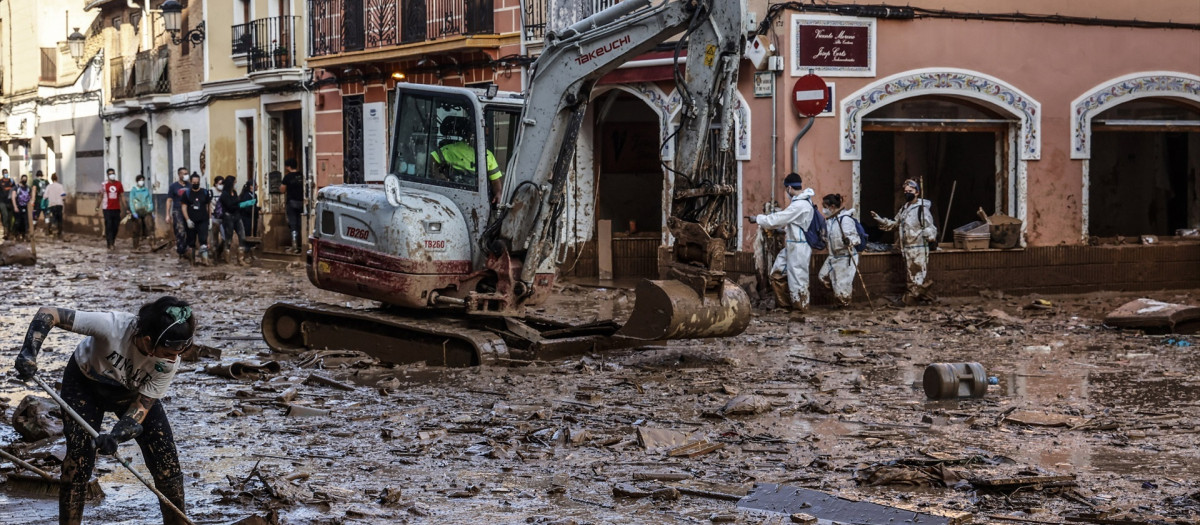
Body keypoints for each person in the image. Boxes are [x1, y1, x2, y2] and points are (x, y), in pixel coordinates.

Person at [13, 296, 196, 525]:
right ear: (149, 342)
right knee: (79, 460)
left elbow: (142, 405)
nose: (175, 359)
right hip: (85, 384)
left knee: (166, 460)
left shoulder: (170, 362)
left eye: (180, 352)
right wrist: (29, 352)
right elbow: (49, 313)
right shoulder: (112, 326)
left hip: (131, 393)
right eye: (170, 352)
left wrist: (116, 436)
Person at [750, 172, 816, 313]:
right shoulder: (802, 203)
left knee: (798, 278)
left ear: (789, 188)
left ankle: (801, 309)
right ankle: (785, 305)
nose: (786, 192)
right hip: (792, 244)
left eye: (786, 189)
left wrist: (758, 219)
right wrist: (783, 231)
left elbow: (779, 218)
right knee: (777, 273)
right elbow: (794, 223)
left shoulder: (800, 204)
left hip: (799, 246)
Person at [871, 179, 937, 305]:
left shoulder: (922, 210)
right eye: (905, 191)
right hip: (907, 248)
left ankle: (913, 300)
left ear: (917, 192)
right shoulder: (904, 209)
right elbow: (895, 224)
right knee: (912, 276)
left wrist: (929, 235)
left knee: (917, 276)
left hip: (918, 247)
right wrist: (880, 220)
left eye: (910, 191)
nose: (907, 194)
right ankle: (926, 298)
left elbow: (930, 227)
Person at [430, 116, 504, 204]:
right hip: (450, 197)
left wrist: (498, 193)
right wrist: (441, 179)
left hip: (479, 199)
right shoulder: (450, 150)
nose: (484, 138)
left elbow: (495, 181)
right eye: (481, 134)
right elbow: (432, 161)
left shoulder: (488, 155)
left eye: (486, 135)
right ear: (470, 134)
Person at [818, 194, 861, 307]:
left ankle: (845, 311)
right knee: (822, 276)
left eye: (825, 206)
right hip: (833, 257)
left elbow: (856, 239)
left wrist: (849, 241)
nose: (824, 209)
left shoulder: (845, 219)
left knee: (842, 292)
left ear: (832, 206)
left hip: (845, 258)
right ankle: (842, 293)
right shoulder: (831, 220)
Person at [181, 172, 213, 265]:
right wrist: (187, 220)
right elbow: (183, 207)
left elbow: (208, 206)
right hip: (191, 220)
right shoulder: (186, 194)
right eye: (193, 182)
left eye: (197, 182)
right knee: (191, 241)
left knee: (203, 240)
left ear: (199, 182)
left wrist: (210, 219)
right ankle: (192, 261)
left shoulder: (205, 192)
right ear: (191, 182)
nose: (195, 184)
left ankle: (205, 260)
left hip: (203, 219)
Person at [216, 176, 249, 265]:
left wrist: (240, 203)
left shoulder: (234, 192)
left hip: (237, 216)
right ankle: (227, 259)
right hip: (228, 217)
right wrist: (239, 204)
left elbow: (235, 203)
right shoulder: (224, 195)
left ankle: (241, 259)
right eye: (234, 182)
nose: (235, 184)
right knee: (228, 238)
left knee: (242, 236)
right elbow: (229, 206)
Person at [279, 159, 304, 253]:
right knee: (300, 223)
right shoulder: (301, 175)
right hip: (302, 202)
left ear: (288, 166)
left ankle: (294, 245)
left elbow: (282, 190)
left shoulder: (287, 177)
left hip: (291, 202)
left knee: (293, 224)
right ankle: (303, 244)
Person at [167, 168, 190, 259]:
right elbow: (169, 200)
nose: (186, 175)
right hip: (178, 210)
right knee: (180, 231)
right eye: (184, 174)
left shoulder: (190, 185)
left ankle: (188, 249)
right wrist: (167, 214)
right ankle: (181, 250)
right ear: (179, 175)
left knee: (189, 230)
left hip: (189, 211)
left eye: (187, 173)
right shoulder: (173, 186)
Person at [128, 174, 156, 249]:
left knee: (150, 227)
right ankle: (135, 246)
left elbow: (149, 201)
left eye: (143, 180)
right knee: (136, 229)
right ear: (137, 181)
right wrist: (133, 212)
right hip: (137, 212)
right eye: (140, 180)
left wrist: (151, 210)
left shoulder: (145, 190)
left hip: (146, 211)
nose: (142, 182)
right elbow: (131, 201)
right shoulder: (134, 190)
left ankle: (152, 245)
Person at [101, 168, 124, 250]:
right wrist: (97, 207)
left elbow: (122, 196)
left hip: (116, 208)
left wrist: (126, 207)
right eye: (110, 174)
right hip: (107, 208)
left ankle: (113, 240)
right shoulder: (104, 184)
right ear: (107, 175)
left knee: (115, 226)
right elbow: (100, 196)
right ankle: (109, 243)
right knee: (109, 225)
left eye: (113, 173)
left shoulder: (119, 184)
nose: (112, 175)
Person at [210, 176, 226, 262]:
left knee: (224, 238)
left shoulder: (225, 192)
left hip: (223, 217)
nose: (221, 185)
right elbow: (208, 205)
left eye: (222, 183)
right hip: (214, 216)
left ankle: (219, 251)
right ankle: (214, 256)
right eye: (220, 184)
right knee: (214, 238)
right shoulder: (211, 191)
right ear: (215, 184)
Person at [12, 174, 33, 241]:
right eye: (23, 179)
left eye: (25, 179)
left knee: (26, 222)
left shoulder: (28, 188)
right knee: (18, 221)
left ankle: (25, 235)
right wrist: (15, 206)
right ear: (21, 179)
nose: (24, 180)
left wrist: (31, 205)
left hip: (26, 207)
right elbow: (13, 197)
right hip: (18, 206)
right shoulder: (17, 187)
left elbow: (30, 196)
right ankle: (16, 234)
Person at [46, 173, 66, 239]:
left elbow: (45, 196)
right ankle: (59, 233)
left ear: (51, 179)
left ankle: (53, 232)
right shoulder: (60, 186)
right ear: (57, 179)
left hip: (52, 204)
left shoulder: (49, 186)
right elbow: (63, 195)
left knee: (53, 218)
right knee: (59, 219)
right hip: (59, 204)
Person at [0, 169, 15, 239]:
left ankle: (10, 231)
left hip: (10, 201)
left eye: (7, 173)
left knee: (10, 217)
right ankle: (6, 231)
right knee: (4, 215)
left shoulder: (11, 181)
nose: (6, 174)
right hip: (2, 201)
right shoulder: (0, 182)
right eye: (4, 173)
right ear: (2, 174)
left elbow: (15, 189)